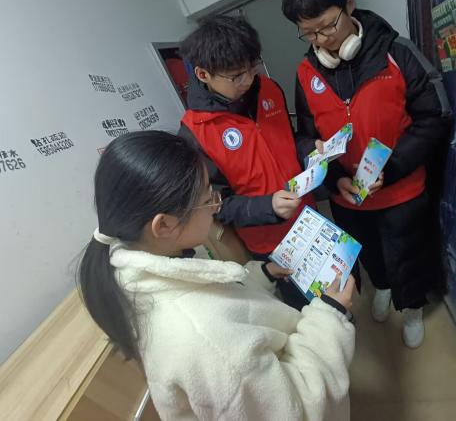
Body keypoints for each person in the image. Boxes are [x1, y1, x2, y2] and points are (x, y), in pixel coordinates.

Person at [78, 131, 356, 420]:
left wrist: (262, 274)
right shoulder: (207, 342)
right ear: (164, 225)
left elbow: (222, 301)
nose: (215, 206)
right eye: (207, 198)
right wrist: (329, 315)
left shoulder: (152, 257)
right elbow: (298, 407)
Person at [282, 0, 452, 348]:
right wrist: (334, 178)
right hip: (348, 195)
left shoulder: (397, 52)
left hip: (402, 191)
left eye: (327, 26)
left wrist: (393, 167)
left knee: (409, 254)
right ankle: (383, 287)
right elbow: (305, 137)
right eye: (309, 33)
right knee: (369, 252)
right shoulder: (306, 72)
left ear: (349, 3)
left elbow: (433, 118)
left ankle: (413, 309)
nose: (321, 40)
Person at [178, 15, 315, 311]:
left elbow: (288, 140)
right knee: (304, 307)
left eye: (252, 68)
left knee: (337, 289)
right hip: (269, 240)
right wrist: (268, 207)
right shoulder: (195, 133)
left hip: (309, 216)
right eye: (236, 76)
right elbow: (216, 205)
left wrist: (310, 149)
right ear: (203, 74)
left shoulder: (270, 89)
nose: (248, 80)